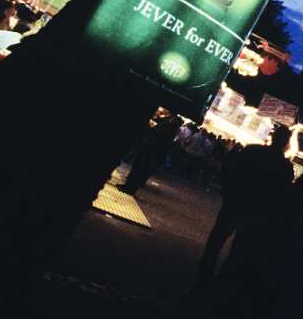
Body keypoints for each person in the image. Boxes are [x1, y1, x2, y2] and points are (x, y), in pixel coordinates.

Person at [194, 128, 294, 293]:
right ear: (285, 143)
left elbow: (230, 167)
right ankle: (220, 287)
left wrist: (228, 189)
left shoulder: (252, 151)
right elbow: (281, 196)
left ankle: (202, 281)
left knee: (215, 242)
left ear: (272, 137)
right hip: (255, 213)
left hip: (234, 202)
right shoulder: (284, 167)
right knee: (238, 250)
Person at [119, 115, 179, 196]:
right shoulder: (169, 125)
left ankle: (130, 188)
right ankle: (128, 185)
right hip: (149, 147)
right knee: (137, 166)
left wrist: (152, 126)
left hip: (151, 149)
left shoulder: (170, 127)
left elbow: (157, 131)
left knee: (139, 167)